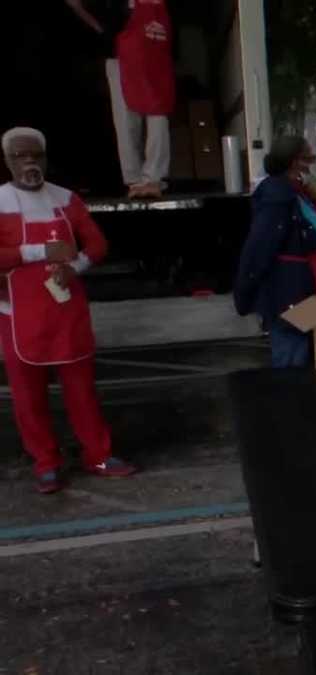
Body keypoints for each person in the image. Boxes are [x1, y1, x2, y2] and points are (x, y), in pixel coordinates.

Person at [1, 127, 138, 493]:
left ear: (46, 158)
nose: (29, 162)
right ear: (7, 161)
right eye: (20, 156)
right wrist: (38, 253)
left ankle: (98, 455)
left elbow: (96, 244)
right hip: (16, 314)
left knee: (82, 391)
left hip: (66, 312)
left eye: (36, 155)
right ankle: (46, 462)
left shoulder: (66, 199)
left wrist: (74, 266)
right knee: (28, 397)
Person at [233, 136, 316, 368]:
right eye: (307, 157)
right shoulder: (277, 198)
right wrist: (245, 292)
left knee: (307, 359)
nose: (312, 162)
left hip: (304, 293)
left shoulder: (297, 191)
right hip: (290, 296)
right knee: (292, 363)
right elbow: (259, 248)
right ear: (294, 162)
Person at [65, 0, 174, 199]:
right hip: (120, 58)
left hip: (155, 57)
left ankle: (153, 179)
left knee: (157, 114)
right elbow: (100, 26)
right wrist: (78, 8)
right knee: (125, 120)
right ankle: (134, 180)